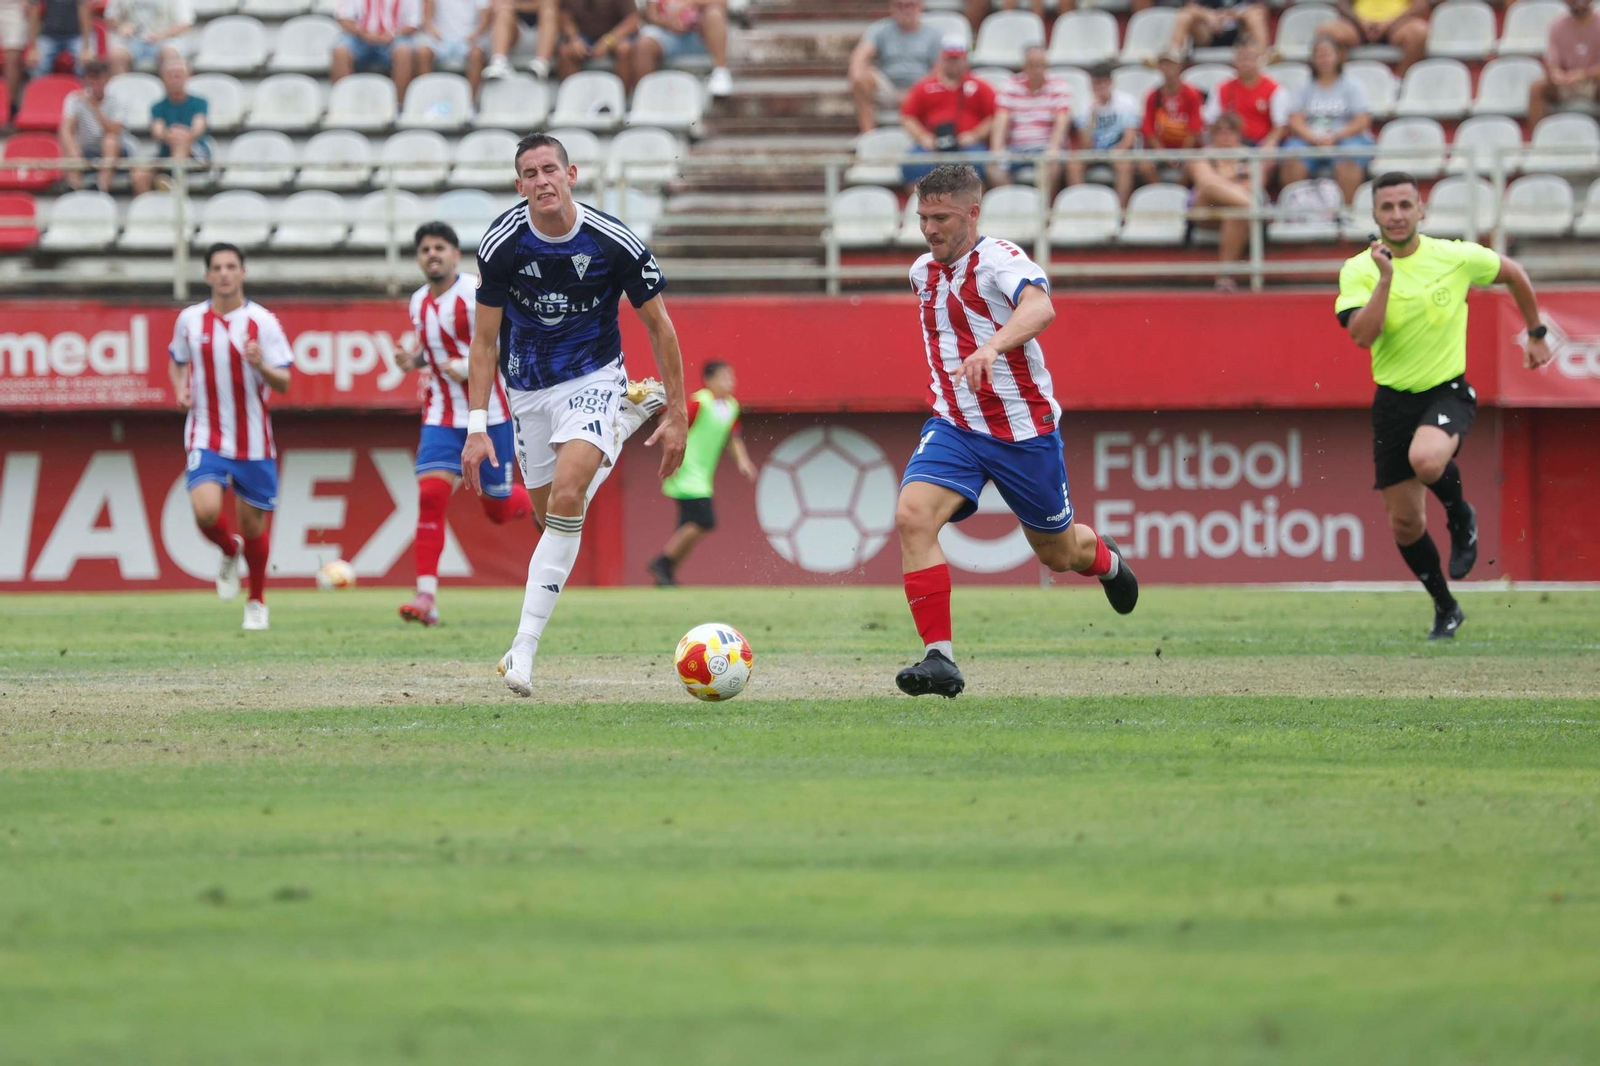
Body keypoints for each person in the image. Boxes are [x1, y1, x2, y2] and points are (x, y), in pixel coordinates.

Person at [893, 164, 1138, 698]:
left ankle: (1104, 558)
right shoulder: (921, 272)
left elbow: (1040, 306)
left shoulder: (1000, 260)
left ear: (972, 213)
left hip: (1022, 432)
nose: (930, 229)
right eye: (923, 218)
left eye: (942, 217)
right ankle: (940, 659)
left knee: (1057, 553)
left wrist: (991, 347)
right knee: (912, 516)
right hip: (955, 425)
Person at [461, 133, 688, 697]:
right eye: (529, 174)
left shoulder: (615, 242)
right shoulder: (501, 244)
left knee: (568, 497)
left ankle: (523, 650)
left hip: (592, 376)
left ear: (571, 174)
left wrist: (681, 412)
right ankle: (629, 416)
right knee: (550, 522)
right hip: (528, 392)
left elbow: (660, 327)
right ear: (519, 186)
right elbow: (484, 342)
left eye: (549, 170)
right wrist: (476, 426)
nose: (541, 181)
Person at [1334, 172, 1554, 639]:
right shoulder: (1360, 268)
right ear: (1374, 215)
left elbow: (1514, 273)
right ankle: (1446, 607)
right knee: (1406, 522)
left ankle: (1460, 515)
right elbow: (1361, 335)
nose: (1396, 215)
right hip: (1392, 401)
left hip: (1447, 390)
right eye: (1386, 207)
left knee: (1426, 459)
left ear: (1421, 211)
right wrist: (1386, 278)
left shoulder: (1454, 256)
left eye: (1404, 205)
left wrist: (1535, 334)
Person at [166, 244, 293, 632]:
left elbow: (285, 382)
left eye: (231, 267)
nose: (224, 274)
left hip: (254, 440)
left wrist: (261, 365)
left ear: (243, 272)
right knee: (205, 512)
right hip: (206, 433)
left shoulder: (263, 322)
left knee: (254, 528)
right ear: (207, 275)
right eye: (217, 267)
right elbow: (176, 358)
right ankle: (228, 548)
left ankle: (256, 601)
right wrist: (180, 389)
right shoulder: (190, 320)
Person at [647, 360, 756, 587]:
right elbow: (666, 422)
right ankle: (662, 562)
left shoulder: (730, 407)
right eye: (725, 377)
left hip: (702, 474)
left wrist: (743, 462)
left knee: (689, 524)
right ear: (709, 380)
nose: (731, 382)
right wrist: (670, 458)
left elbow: (733, 438)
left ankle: (665, 575)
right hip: (685, 469)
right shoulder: (700, 402)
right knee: (705, 520)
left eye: (732, 377)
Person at [1279, 35, 1372, 204]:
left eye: (1327, 54)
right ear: (1312, 59)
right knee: (1292, 159)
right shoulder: (1303, 86)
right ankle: (1296, 212)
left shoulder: (1352, 85)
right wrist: (1312, 137)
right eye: (1319, 55)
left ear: (1337, 56)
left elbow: (1362, 120)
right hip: (1310, 138)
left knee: (1349, 159)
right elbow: (1295, 119)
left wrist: (1335, 136)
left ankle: (1347, 213)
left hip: (1345, 138)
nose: (1324, 59)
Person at [899, 35, 996, 187]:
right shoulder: (925, 86)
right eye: (949, 59)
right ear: (941, 59)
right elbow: (908, 117)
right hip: (933, 143)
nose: (953, 64)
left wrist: (975, 135)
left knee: (977, 166)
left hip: (967, 144)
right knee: (912, 165)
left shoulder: (978, 86)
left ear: (965, 60)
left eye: (957, 59)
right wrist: (923, 137)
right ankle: (920, 207)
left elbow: (994, 116)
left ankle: (972, 209)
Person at [988, 45, 1072, 198]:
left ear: (1047, 66)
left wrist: (1053, 148)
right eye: (1032, 65)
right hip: (1016, 148)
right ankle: (1013, 204)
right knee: (993, 168)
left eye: (1041, 65)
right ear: (1024, 66)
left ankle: (1041, 210)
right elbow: (1001, 119)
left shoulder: (1058, 85)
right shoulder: (1011, 85)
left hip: (1044, 147)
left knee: (1052, 165)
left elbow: (1062, 120)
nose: (1037, 70)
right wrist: (997, 150)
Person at [848, 0, 942, 135]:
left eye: (910, 5)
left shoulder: (933, 34)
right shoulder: (879, 29)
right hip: (888, 87)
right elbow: (860, 55)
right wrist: (856, 74)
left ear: (920, 7)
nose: (905, 10)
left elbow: (939, 69)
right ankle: (867, 135)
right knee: (860, 78)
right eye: (900, 5)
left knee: (940, 82)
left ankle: (928, 135)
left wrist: (916, 92)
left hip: (920, 87)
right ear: (891, 8)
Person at [1201, 38, 1287, 182]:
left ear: (1260, 59)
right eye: (1241, 58)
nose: (1246, 62)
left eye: (1251, 58)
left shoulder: (1274, 89)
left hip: (1258, 145)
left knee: (1266, 157)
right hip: (1228, 143)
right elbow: (1211, 122)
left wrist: (1268, 144)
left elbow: (1280, 126)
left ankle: (1254, 199)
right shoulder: (1222, 88)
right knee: (1200, 159)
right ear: (1234, 60)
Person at [1187, 113, 1252, 290]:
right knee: (1211, 187)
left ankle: (1225, 276)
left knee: (1236, 212)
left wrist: (1223, 176)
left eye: (1230, 131)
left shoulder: (1251, 155)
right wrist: (1236, 174)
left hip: (1238, 212)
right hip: (1207, 210)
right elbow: (1205, 182)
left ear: (1239, 133)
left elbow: (1252, 186)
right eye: (1220, 131)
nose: (1225, 136)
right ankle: (1251, 208)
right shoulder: (1201, 156)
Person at [133, 56, 211, 195]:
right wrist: (169, 135)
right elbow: (158, 131)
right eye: (170, 76)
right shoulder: (158, 106)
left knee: (181, 141)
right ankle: (147, 207)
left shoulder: (199, 102)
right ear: (163, 79)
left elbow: (198, 127)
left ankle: (176, 193)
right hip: (166, 153)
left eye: (178, 75)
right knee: (139, 174)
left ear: (187, 77)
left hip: (195, 153)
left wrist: (181, 134)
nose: (175, 80)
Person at [57, 60, 137, 192]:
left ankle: (101, 186)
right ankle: (74, 186)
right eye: (91, 80)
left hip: (117, 150)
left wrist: (94, 107)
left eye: (99, 79)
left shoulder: (117, 100)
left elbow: (113, 130)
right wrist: (72, 149)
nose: (95, 84)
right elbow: (66, 127)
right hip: (86, 149)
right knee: (69, 144)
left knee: (110, 141)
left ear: (107, 79)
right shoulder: (74, 99)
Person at [1067, 64, 1140, 206]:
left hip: (1118, 150)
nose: (1099, 88)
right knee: (1073, 164)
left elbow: (1129, 138)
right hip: (1093, 151)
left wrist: (1115, 152)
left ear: (1111, 82)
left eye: (1103, 83)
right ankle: (1081, 206)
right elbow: (1085, 145)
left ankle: (1120, 211)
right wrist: (1092, 116)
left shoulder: (1126, 103)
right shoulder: (1084, 105)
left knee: (1124, 165)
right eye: (1095, 84)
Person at [635, 0, 733, 98]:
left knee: (714, 13)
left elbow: (722, 2)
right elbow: (652, 14)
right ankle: (645, 97)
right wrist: (669, 23)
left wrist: (688, 3)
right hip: (668, 34)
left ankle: (720, 71)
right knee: (644, 44)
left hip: (700, 35)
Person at [331, 0, 422, 103]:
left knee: (404, 52)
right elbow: (343, 17)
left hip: (393, 38)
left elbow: (413, 23)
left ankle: (399, 105)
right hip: (359, 37)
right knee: (340, 51)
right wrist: (362, 33)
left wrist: (393, 35)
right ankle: (342, 104)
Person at [1528, 0, 1600, 127]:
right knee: (1537, 88)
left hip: (1593, 83)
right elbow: (1552, 62)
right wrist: (1557, 75)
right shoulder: (1557, 26)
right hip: (1564, 83)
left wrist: (1582, 75)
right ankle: (1537, 139)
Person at [1139, 49, 1203, 185]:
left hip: (1186, 150)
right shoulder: (1153, 96)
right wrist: (1162, 153)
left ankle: (1179, 194)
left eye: (1171, 64)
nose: (1167, 69)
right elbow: (1148, 129)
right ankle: (1161, 191)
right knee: (1144, 166)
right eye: (1163, 64)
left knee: (1192, 165)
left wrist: (1181, 155)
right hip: (1160, 150)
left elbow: (1195, 128)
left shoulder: (1191, 94)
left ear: (1179, 66)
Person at [1319, 0, 1429, 76]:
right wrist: (1360, 21)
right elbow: (1342, 3)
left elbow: (1420, 5)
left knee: (1419, 33)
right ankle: (1342, 81)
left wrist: (1390, 22)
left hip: (1396, 25)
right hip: (1359, 26)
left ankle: (1401, 81)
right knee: (1328, 31)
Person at [552, 0, 638, 86]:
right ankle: (572, 96)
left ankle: (621, 95)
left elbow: (632, 20)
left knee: (624, 49)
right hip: (583, 36)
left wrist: (607, 41)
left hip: (614, 35)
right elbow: (564, 16)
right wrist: (574, 38)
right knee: (566, 52)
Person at [416, 0, 492, 96]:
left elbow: (485, 21)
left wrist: (471, 38)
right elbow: (427, 20)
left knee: (476, 54)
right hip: (440, 41)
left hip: (469, 41)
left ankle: (470, 104)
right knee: (423, 53)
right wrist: (437, 36)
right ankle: (426, 98)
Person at [103, 0, 190, 75]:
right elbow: (110, 17)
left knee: (170, 55)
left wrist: (162, 34)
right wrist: (121, 26)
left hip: (165, 40)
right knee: (116, 56)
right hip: (131, 40)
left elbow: (185, 23)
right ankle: (122, 92)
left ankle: (168, 93)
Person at [1166, 0, 1269, 59]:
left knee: (1256, 17)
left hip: (1237, 36)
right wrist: (1207, 15)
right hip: (1207, 34)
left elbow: (1261, 9)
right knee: (1185, 16)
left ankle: (1263, 59)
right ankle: (1173, 57)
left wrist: (1235, 15)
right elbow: (1189, 7)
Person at [483, 0, 554, 80]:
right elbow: (498, 4)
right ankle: (499, 62)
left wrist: (517, 6)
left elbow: (549, 3)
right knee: (503, 13)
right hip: (516, 32)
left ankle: (541, 63)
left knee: (549, 11)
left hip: (541, 32)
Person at [29, 0, 90, 76]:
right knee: (38, 65)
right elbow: (34, 16)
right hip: (48, 36)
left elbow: (84, 14)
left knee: (86, 65)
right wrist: (33, 48)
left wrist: (86, 48)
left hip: (75, 36)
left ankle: (83, 88)